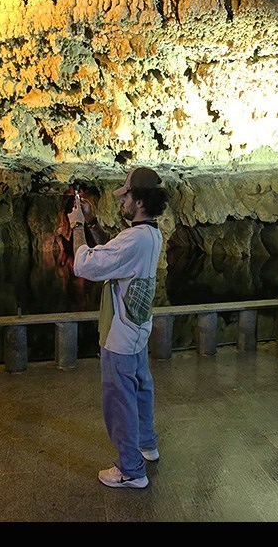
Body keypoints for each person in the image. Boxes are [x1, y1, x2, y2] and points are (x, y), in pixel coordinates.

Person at [67, 167, 168, 488]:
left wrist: (78, 227)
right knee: (141, 388)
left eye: (126, 195)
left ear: (138, 201)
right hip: (137, 330)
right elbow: (113, 254)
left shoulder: (135, 239)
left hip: (120, 335)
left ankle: (130, 470)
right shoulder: (150, 233)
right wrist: (94, 224)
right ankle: (147, 445)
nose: (121, 200)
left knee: (119, 400)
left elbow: (85, 263)